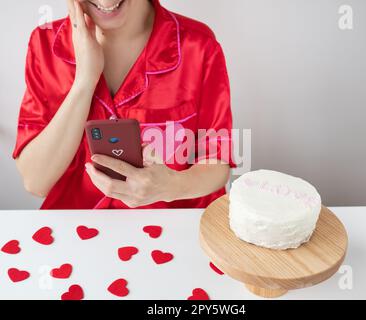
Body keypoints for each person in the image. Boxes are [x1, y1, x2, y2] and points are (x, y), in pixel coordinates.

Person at [13, 0, 235, 209]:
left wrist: (171, 186)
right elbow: (36, 182)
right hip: (76, 229)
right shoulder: (44, 43)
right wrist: (84, 81)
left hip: (171, 228)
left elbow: (217, 162)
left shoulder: (197, 45)